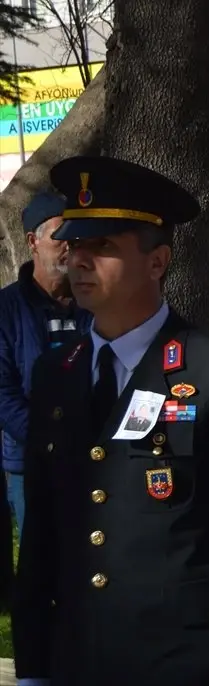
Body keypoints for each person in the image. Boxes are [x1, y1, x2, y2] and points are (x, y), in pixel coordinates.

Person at [13, 156, 209, 686]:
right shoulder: (58, 373)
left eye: (104, 247)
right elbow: (41, 540)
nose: (79, 261)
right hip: (79, 662)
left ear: (158, 262)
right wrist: (32, 669)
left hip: (185, 665)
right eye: (75, 245)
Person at [0, 191, 89, 543]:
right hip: (32, 463)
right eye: (60, 232)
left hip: (94, 459)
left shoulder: (95, 302)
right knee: (44, 570)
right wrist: (50, 441)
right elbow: (3, 395)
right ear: (32, 242)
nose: (70, 243)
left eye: (76, 235)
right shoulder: (6, 309)